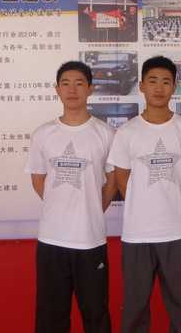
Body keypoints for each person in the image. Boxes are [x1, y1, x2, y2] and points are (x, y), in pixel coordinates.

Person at [107, 55, 181, 333]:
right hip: (137, 235)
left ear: (174, 87)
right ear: (142, 86)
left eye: (166, 82)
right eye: (153, 81)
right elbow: (122, 180)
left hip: (176, 232)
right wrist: (144, 204)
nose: (159, 88)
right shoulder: (127, 132)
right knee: (134, 309)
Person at [25, 61, 117, 333]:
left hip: (91, 239)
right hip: (52, 240)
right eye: (65, 84)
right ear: (57, 89)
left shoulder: (105, 133)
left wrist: (92, 207)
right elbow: (38, 179)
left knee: (96, 313)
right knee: (51, 315)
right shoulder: (43, 134)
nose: (72, 90)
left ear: (90, 88)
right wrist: (60, 205)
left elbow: (112, 180)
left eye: (79, 83)